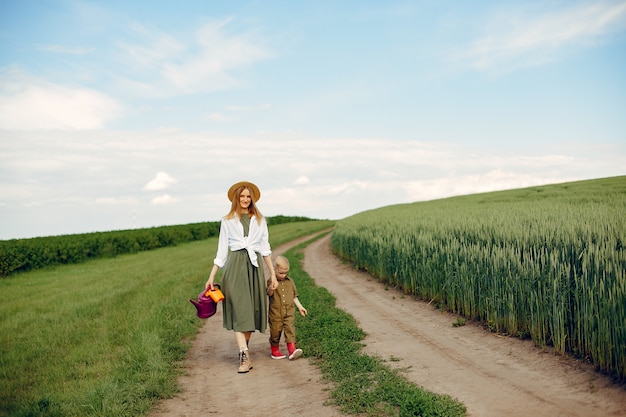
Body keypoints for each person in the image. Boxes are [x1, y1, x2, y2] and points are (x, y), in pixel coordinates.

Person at [205, 181, 278, 373]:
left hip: (254, 268)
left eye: (248, 197)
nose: (245, 200)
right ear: (236, 199)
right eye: (242, 196)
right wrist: (212, 275)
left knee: (252, 312)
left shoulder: (260, 220)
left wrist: (272, 274)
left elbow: (265, 249)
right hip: (234, 268)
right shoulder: (227, 220)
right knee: (239, 311)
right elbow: (221, 251)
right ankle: (245, 356)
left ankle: (243, 348)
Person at [266, 255, 308, 360]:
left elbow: (294, 296)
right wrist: (271, 287)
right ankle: (275, 350)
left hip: (289, 312)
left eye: (286, 273)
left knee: (290, 329)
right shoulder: (271, 281)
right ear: (274, 269)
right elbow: (269, 293)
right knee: (275, 332)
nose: (283, 275)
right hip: (276, 314)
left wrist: (300, 307)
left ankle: (292, 350)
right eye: (281, 273)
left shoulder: (290, 282)